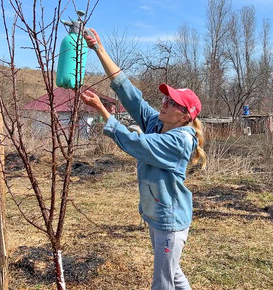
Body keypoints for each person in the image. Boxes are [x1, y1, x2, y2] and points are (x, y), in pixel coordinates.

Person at [80, 28, 207, 290]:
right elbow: (130, 94)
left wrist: (104, 112)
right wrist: (98, 49)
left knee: (162, 283)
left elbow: (137, 144)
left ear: (185, 115)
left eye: (172, 103)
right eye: (165, 98)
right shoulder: (157, 123)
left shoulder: (180, 140)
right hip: (157, 215)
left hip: (169, 222)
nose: (164, 103)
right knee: (173, 275)